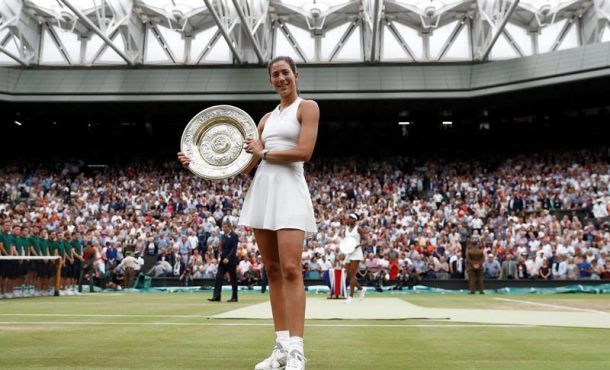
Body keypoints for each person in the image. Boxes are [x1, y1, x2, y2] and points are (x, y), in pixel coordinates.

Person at [178, 55, 318, 370]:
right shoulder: (266, 118)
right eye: (275, 75)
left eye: (285, 73)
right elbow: (244, 164)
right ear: (270, 81)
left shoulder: (308, 107)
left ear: (296, 75)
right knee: (272, 270)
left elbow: (305, 152)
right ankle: (281, 347)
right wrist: (197, 164)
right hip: (263, 191)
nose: (281, 78)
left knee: (292, 268)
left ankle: (297, 350)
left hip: (291, 191)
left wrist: (264, 151)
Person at [208, 221, 239, 302]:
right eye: (223, 227)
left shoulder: (234, 236)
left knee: (233, 279)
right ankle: (216, 296)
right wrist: (219, 254)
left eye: (225, 227)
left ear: (229, 227)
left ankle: (234, 297)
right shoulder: (222, 236)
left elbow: (234, 248)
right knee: (218, 277)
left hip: (231, 261)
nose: (224, 229)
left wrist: (228, 258)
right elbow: (221, 247)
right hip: (222, 261)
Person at [343, 212, 367, 304]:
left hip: (356, 253)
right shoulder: (346, 230)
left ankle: (351, 297)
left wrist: (358, 245)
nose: (348, 219)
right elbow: (345, 241)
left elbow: (366, 241)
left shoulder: (358, 229)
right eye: (348, 217)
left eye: (350, 218)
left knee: (352, 275)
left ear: (355, 220)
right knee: (349, 275)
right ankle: (361, 289)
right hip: (348, 253)